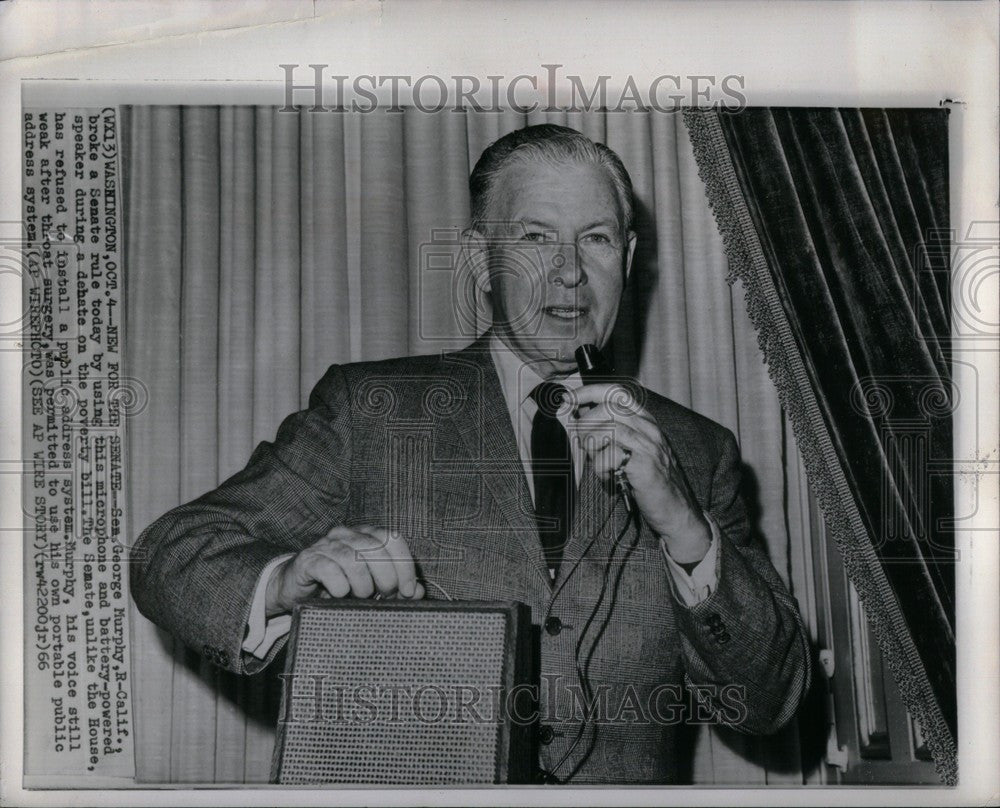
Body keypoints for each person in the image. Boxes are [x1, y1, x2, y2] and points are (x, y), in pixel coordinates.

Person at [130, 123, 810, 784]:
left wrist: (687, 532)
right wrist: (282, 583)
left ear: (627, 261)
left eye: (596, 239)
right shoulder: (372, 412)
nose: (571, 272)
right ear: (478, 259)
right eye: (536, 237)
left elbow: (769, 698)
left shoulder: (698, 448)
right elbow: (171, 555)